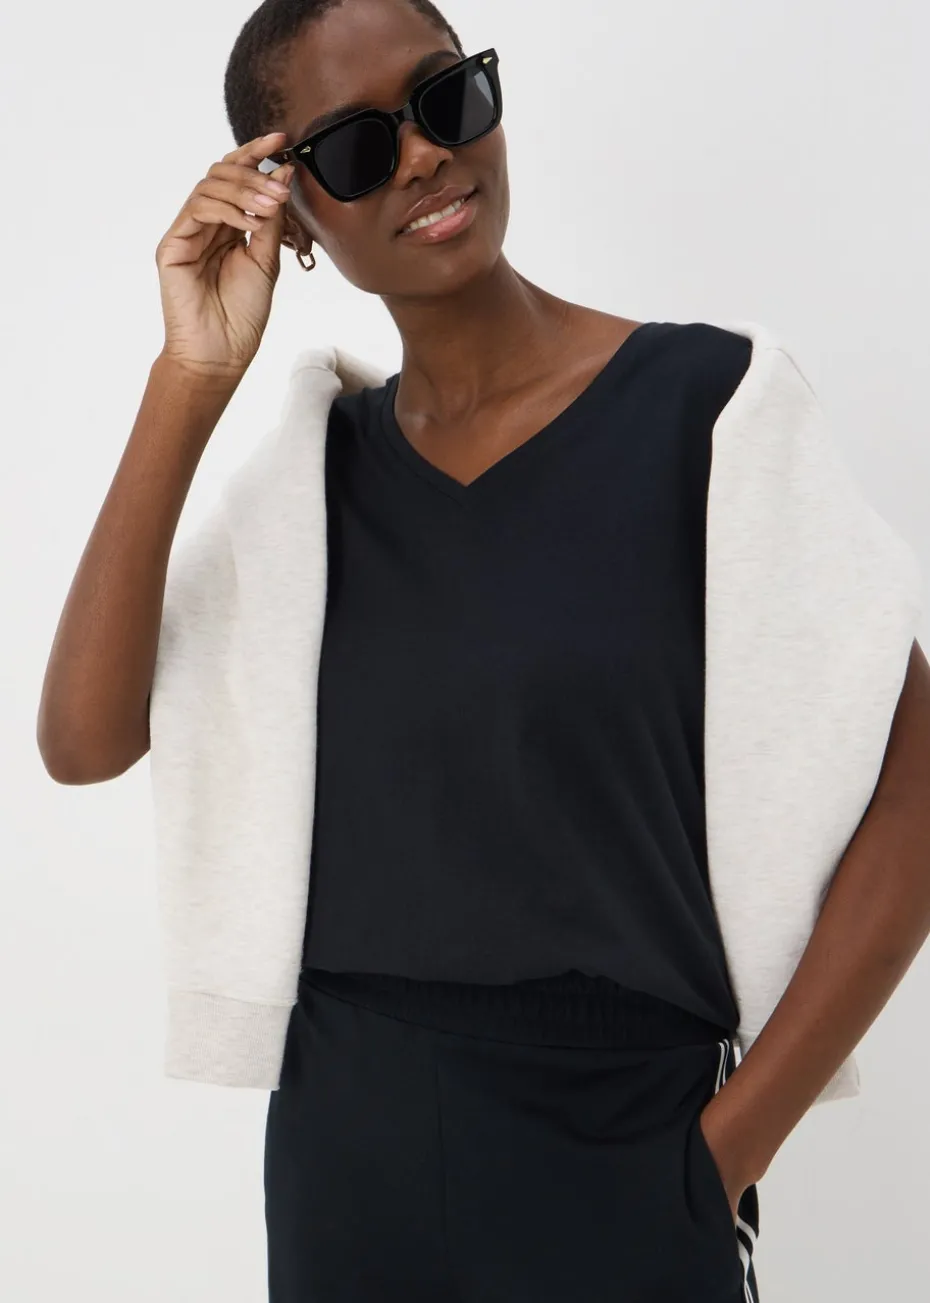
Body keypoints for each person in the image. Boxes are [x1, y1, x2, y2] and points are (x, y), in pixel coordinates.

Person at [37, 1, 929, 1301]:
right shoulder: (313, 479)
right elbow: (83, 739)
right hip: (347, 1146)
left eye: (445, 98)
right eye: (355, 148)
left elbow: (913, 789)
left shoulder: (706, 405)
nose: (423, 156)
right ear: (293, 211)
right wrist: (193, 374)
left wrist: (725, 1152)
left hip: (632, 1138)